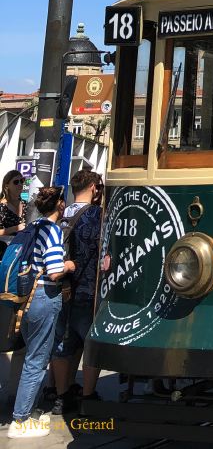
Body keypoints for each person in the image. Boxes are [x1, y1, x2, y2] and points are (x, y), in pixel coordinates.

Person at [8, 186, 76, 439]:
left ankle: (26, 409)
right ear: (59, 205)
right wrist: (70, 264)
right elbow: (55, 270)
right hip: (44, 296)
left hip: (25, 298)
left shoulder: (32, 227)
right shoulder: (52, 231)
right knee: (36, 360)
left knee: (30, 356)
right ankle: (21, 420)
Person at [50, 171, 104, 414]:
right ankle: (88, 395)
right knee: (91, 342)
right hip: (87, 289)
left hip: (60, 288)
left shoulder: (62, 214)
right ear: (93, 188)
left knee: (62, 343)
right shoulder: (97, 215)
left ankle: (61, 395)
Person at [0, 172, 27, 248]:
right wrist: (15, 228)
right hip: (5, 250)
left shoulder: (25, 204)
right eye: (16, 182)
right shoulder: (2, 206)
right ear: (7, 186)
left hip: (22, 248)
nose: (20, 184)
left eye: (22, 181)